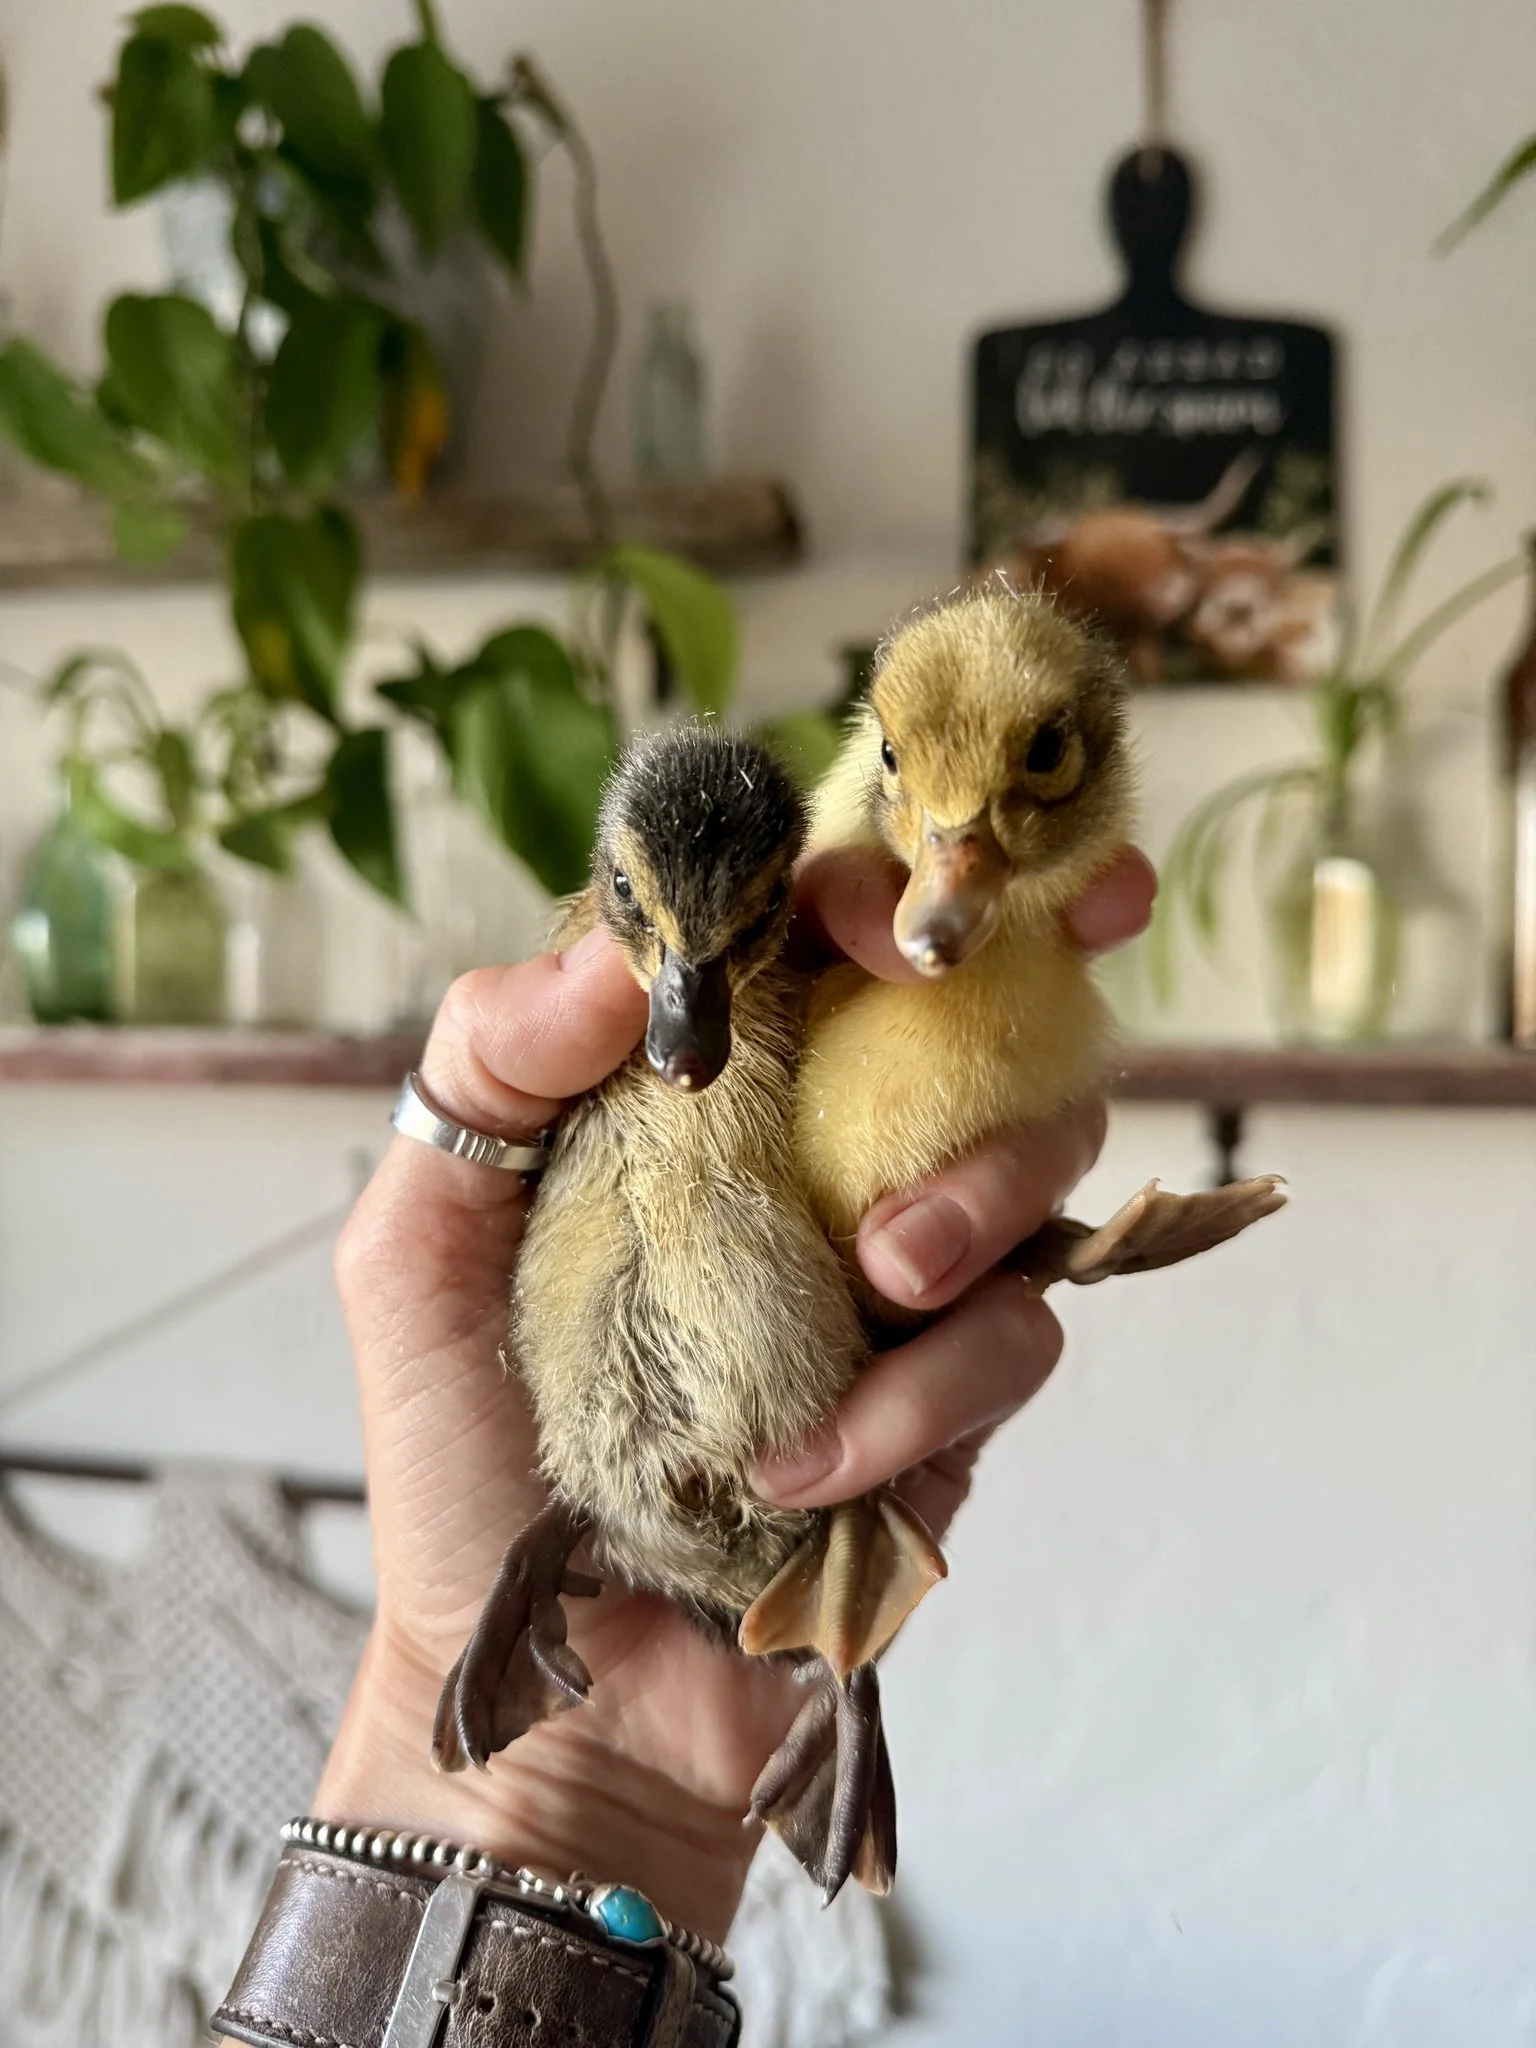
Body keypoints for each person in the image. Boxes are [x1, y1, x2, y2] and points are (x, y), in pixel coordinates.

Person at [311, 843, 1153, 1946]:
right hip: (606, 1480)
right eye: (642, 917)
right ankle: (734, 1606)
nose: (681, 1024)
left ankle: (826, 1645)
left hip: (766, 1489)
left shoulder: (809, 1009)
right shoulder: (599, 1019)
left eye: (738, 925)